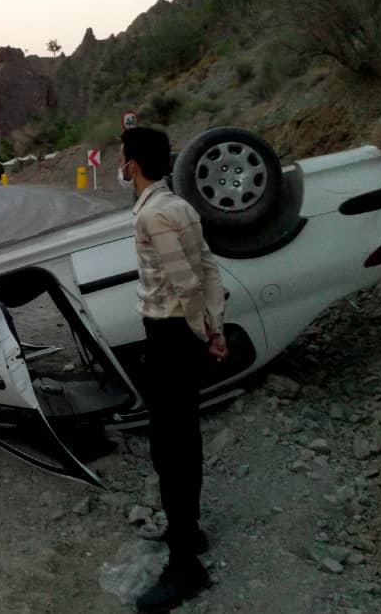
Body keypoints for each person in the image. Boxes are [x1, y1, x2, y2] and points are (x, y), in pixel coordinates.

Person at [118, 126, 227, 613]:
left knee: (171, 448)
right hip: (184, 334)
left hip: (170, 336)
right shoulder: (178, 205)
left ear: (133, 165)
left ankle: (185, 565)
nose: (121, 167)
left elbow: (185, 283)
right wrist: (215, 329)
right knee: (182, 439)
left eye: (123, 159)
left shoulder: (155, 216)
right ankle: (191, 533)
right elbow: (208, 268)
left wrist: (200, 335)